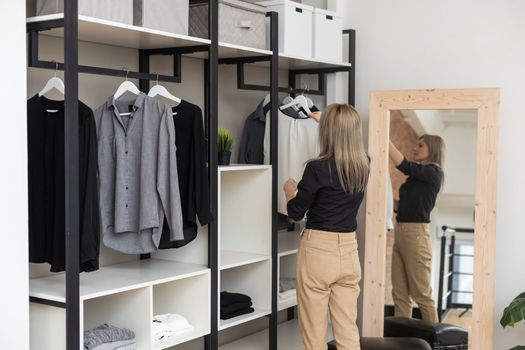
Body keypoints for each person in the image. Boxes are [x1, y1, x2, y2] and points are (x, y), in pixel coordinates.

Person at [284, 104, 369, 350]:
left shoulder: (316, 168)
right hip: (349, 251)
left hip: (319, 252)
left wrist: (290, 191)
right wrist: (327, 121)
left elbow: (296, 212)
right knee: (347, 333)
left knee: (314, 337)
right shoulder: (364, 166)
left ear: (328, 132)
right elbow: (344, 141)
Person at [388, 135, 445, 323]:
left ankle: (435, 343)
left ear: (433, 149)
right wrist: (385, 199)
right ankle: (401, 342)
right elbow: (403, 205)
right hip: (401, 231)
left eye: (420, 145)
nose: (415, 148)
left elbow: (403, 165)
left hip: (416, 235)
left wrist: (384, 141)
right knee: (400, 296)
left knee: (422, 295)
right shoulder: (417, 178)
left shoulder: (433, 172)